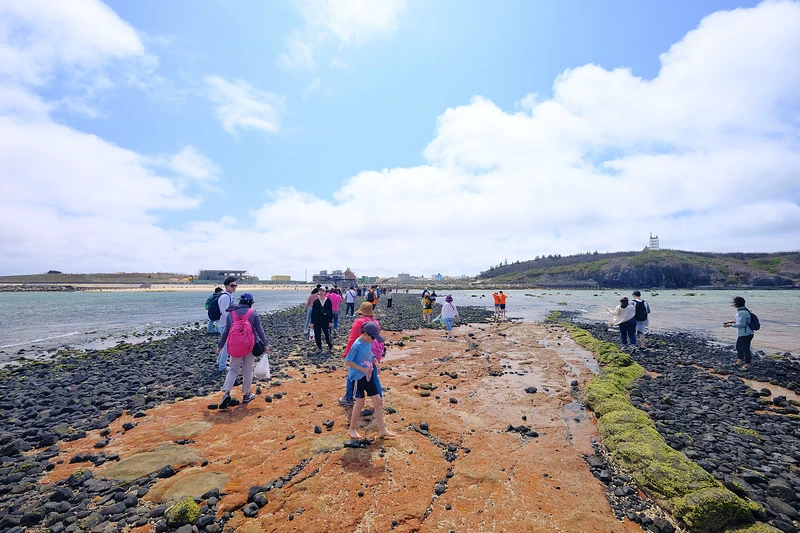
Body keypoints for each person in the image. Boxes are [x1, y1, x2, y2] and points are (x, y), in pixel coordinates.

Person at [216, 293, 268, 407]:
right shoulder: (253, 313)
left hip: (235, 345)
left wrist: (220, 346)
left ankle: (226, 393)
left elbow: (226, 332)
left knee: (233, 369)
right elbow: (260, 330)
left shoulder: (231, 313)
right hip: (249, 345)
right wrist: (266, 344)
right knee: (247, 370)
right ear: (250, 302)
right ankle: (246, 394)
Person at [345, 322, 395, 440]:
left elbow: (369, 352)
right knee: (360, 402)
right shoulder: (357, 344)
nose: (373, 340)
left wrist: (375, 361)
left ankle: (382, 430)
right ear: (365, 334)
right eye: (372, 337)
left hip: (368, 374)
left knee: (377, 400)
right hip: (358, 376)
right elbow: (348, 362)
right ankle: (352, 429)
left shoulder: (368, 342)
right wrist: (362, 369)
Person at [339, 302, 382, 406]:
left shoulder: (359, 322)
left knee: (352, 374)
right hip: (374, 352)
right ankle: (379, 399)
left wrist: (347, 354)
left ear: (362, 312)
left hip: (362, 354)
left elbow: (352, 340)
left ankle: (349, 398)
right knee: (374, 376)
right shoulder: (375, 323)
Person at [724, 296, 754, 370]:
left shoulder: (742, 312)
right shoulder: (742, 311)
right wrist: (731, 321)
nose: (733, 304)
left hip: (746, 334)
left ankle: (747, 364)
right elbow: (741, 322)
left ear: (737, 303)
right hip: (744, 333)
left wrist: (730, 325)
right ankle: (739, 361)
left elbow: (742, 324)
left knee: (745, 348)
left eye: (734, 303)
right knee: (739, 347)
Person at [215, 277, 237, 369]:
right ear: (226, 286)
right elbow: (225, 311)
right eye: (232, 286)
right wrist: (233, 322)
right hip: (225, 324)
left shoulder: (227, 296)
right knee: (227, 346)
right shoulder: (225, 297)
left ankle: (220, 362)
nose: (234, 287)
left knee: (225, 345)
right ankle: (222, 366)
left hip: (224, 324)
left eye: (235, 285)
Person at [310, 288, 334, 352]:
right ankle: (319, 347)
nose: (321, 292)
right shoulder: (316, 302)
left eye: (322, 291)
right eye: (320, 291)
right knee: (317, 334)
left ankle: (330, 346)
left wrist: (330, 321)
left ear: (325, 292)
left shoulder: (328, 301)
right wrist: (312, 322)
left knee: (327, 334)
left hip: (325, 320)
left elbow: (331, 311)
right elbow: (313, 312)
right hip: (317, 320)